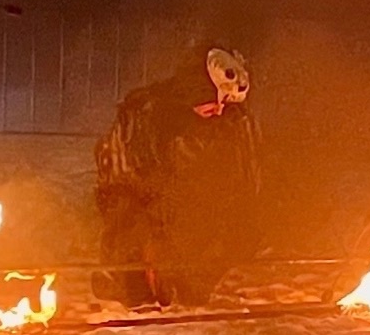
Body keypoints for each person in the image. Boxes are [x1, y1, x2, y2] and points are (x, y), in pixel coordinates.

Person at [93, 45, 263, 307]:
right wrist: (151, 244)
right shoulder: (143, 118)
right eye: (210, 104)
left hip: (194, 236)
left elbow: (242, 191)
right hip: (140, 221)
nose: (218, 110)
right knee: (137, 295)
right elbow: (122, 190)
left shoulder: (232, 124)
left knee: (190, 299)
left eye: (224, 104)